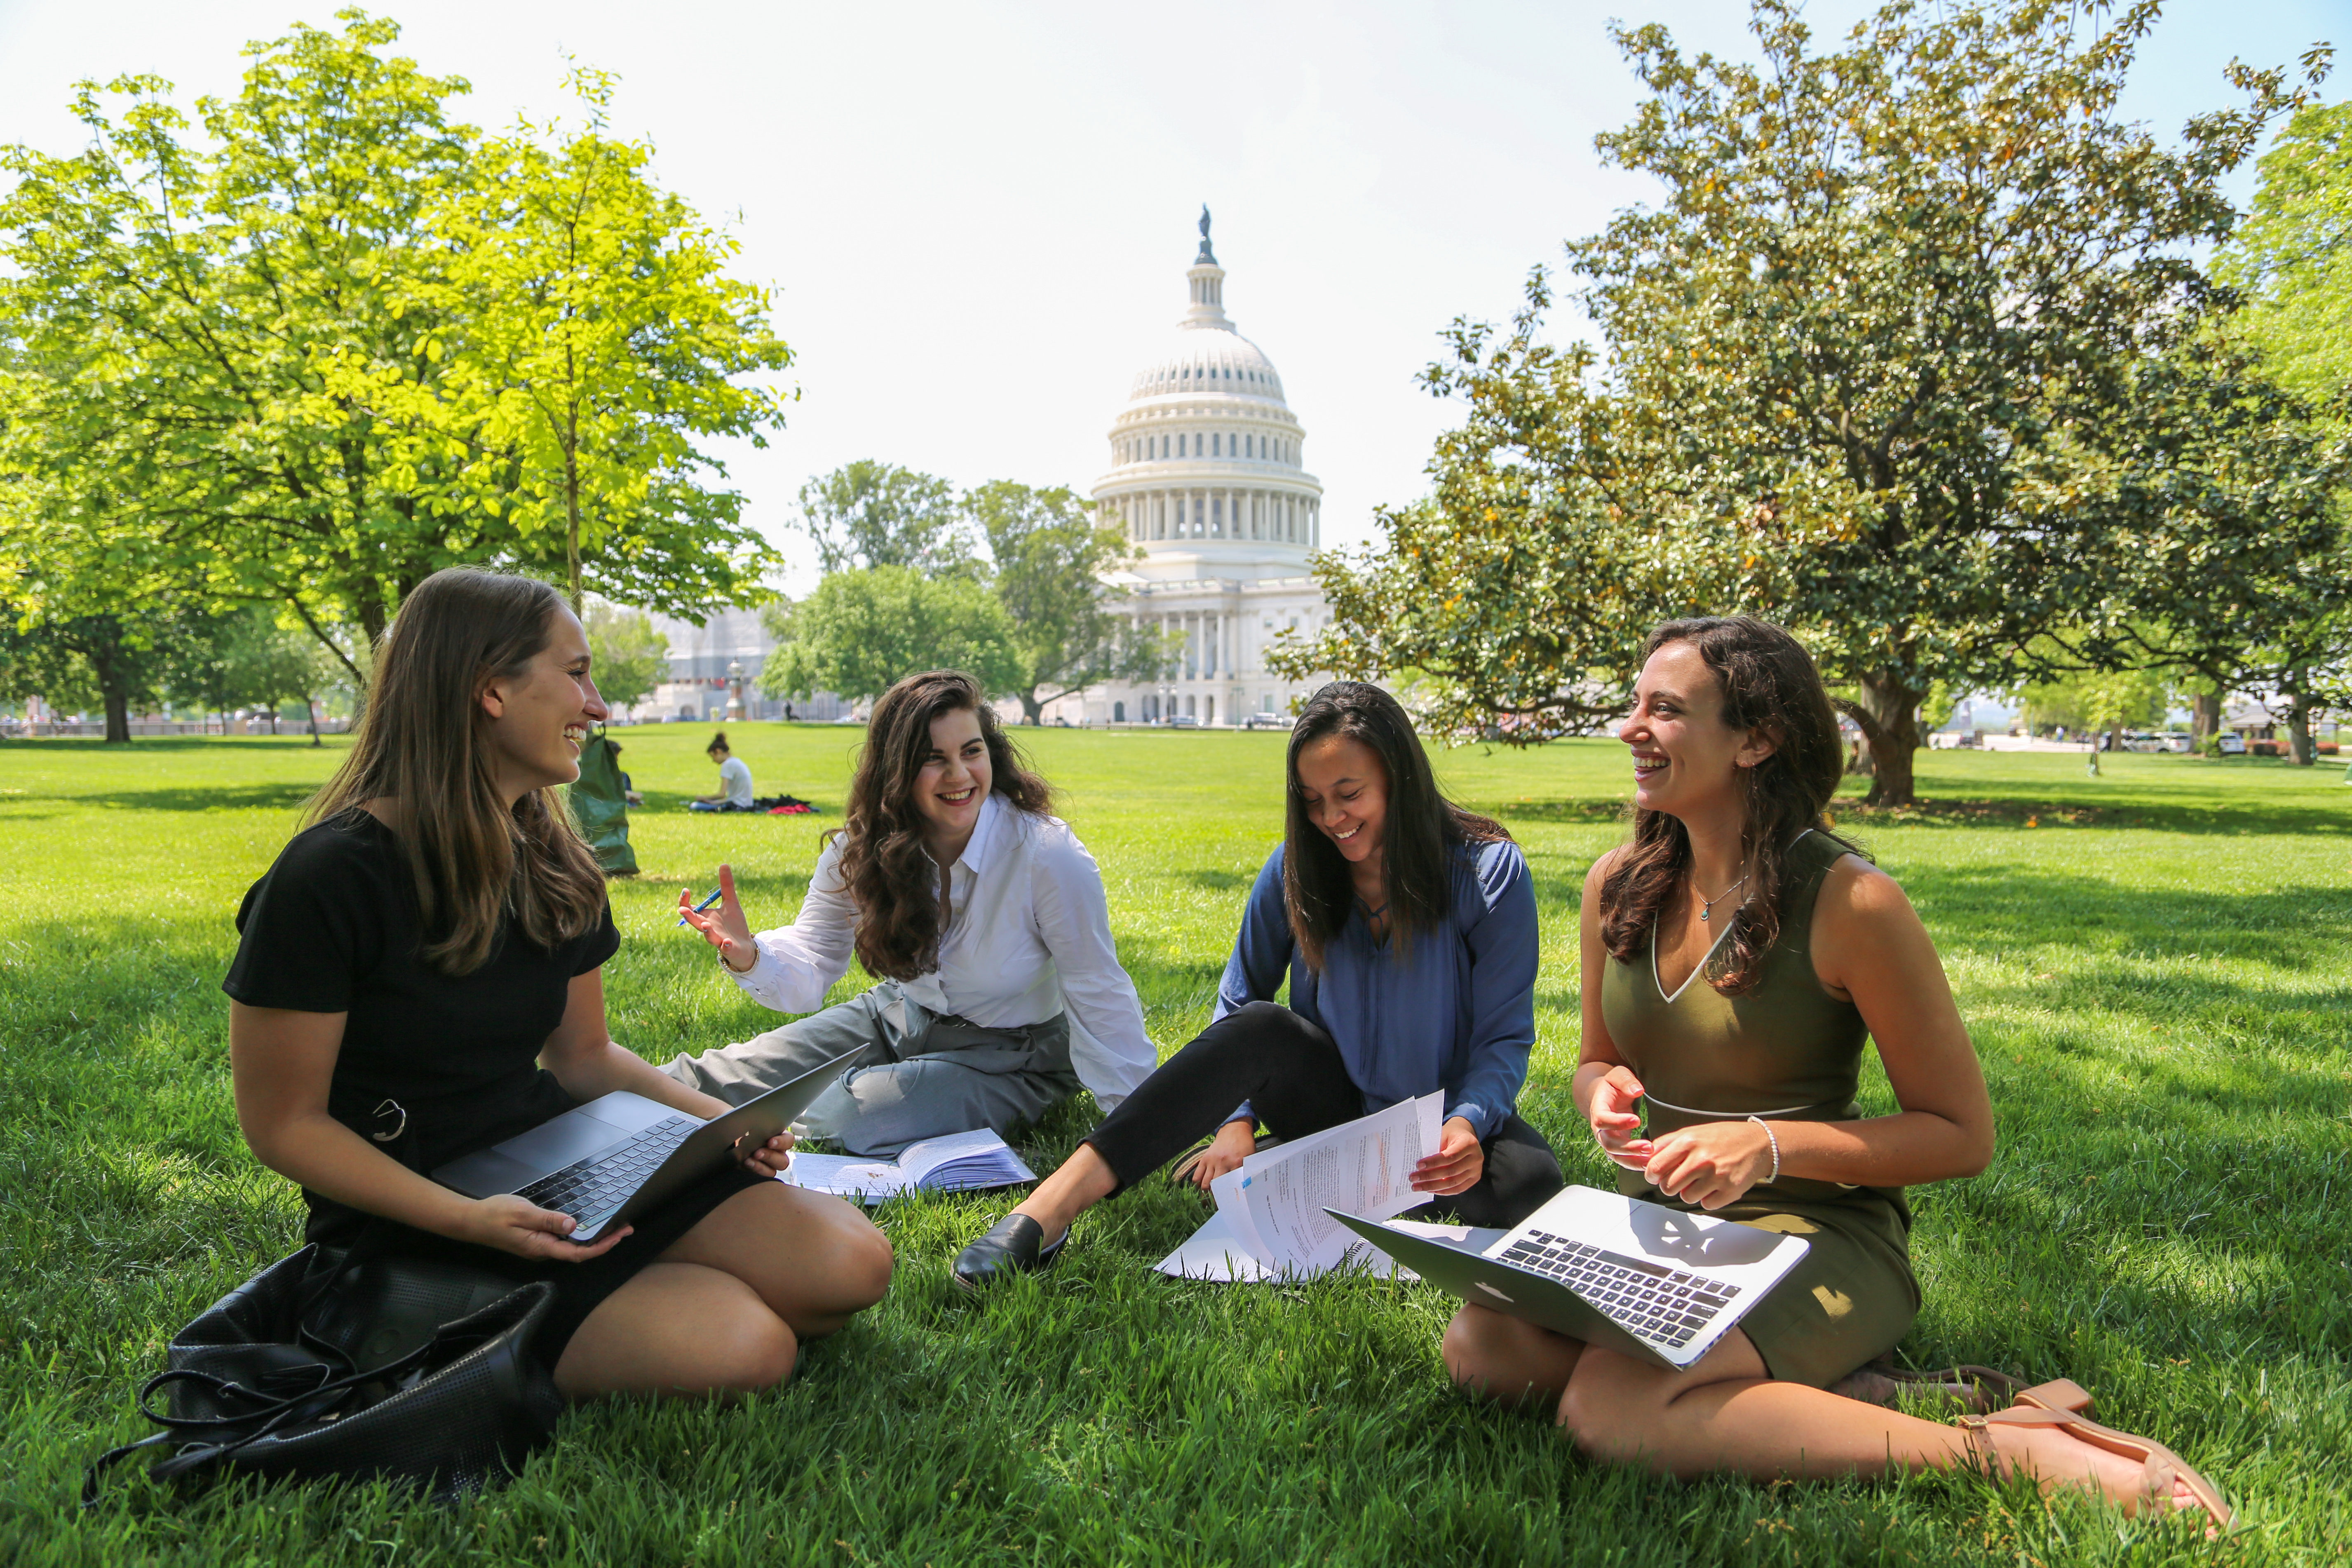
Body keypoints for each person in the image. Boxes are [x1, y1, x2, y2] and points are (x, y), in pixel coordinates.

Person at [1439, 615, 2227, 1531]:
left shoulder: (1854, 901)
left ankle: (2008, 1449)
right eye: (1633, 703)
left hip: (1817, 1229)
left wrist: (1766, 1147)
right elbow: (1595, 1062)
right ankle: (1856, 1394)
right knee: (1484, 1346)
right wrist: (1600, 1096)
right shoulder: (1618, 884)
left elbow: (1962, 1136)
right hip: (1666, 1233)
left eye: (1665, 709)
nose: (1630, 727)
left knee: (1613, 1409)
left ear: (1757, 739)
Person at [223, 568, 892, 1401]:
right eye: (575, 674)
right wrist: (469, 1220)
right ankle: (415, 1320)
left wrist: (726, 1127)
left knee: (853, 1263)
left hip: (566, 1167)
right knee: (749, 1346)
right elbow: (285, 1126)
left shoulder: (555, 860)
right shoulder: (329, 878)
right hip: (413, 1219)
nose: (599, 705)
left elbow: (585, 1059)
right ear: (489, 690)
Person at [953, 680, 1564, 1288]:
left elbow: (1503, 1037)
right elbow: (1240, 1000)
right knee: (1261, 1027)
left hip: (1434, 1125)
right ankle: (1046, 1212)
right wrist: (1236, 1120)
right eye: (1312, 800)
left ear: (1399, 777)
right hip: (1330, 1109)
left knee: (1529, 1185)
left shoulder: (1487, 872)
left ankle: (1298, 1176)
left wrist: (1467, 1123)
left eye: (1348, 794)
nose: (1330, 820)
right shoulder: (1295, 870)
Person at [669, 669, 1156, 1158]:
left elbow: (1098, 988)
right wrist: (750, 956)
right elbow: (813, 958)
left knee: (847, 1118)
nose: (960, 775)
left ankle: (735, 1132)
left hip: (1015, 1055)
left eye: (971, 751)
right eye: (933, 759)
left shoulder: (1047, 855)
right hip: (898, 1015)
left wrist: (1140, 1125)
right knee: (723, 1076)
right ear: (895, 770)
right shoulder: (862, 849)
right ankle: (608, 1107)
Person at [690, 732, 755, 812]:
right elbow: (732, 797)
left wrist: (703, 798)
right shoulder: (737, 761)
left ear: (719, 752)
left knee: (694, 806)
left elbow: (722, 794)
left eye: (713, 757)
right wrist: (714, 802)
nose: (713, 761)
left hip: (737, 806)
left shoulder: (727, 765)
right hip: (746, 804)